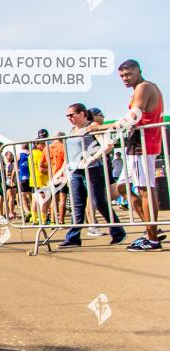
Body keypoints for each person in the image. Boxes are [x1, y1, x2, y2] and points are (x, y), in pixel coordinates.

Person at [90, 60, 164, 251]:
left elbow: (133, 117)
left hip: (142, 144)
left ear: (139, 71)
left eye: (128, 74)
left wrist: (101, 127)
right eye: (122, 75)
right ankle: (151, 228)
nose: (125, 78)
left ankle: (153, 238)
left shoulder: (144, 87)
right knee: (123, 187)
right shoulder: (140, 89)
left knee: (145, 189)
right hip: (137, 144)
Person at [58, 104, 126, 248]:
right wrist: (64, 170)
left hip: (93, 170)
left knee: (99, 202)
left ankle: (118, 232)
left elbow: (107, 146)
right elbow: (68, 153)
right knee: (77, 205)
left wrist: (92, 158)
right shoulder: (72, 130)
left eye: (71, 115)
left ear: (82, 114)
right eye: (67, 116)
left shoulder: (92, 126)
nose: (69, 118)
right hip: (75, 171)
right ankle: (73, 238)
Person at [3, 150, 18, 219]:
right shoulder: (9, 164)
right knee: (11, 198)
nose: (11, 156)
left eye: (11, 155)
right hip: (10, 182)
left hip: (10, 181)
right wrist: (12, 177)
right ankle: (11, 212)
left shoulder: (9, 163)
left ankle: (9, 212)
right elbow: (7, 174)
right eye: (10, 155)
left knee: (10, 198)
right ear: (6, 156)